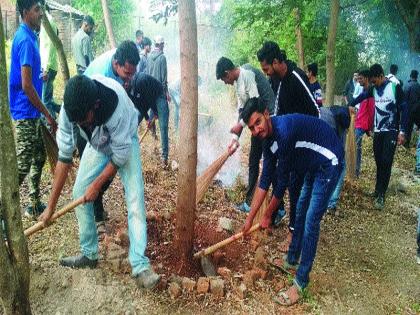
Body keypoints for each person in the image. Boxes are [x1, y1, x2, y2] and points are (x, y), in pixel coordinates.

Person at [39, 75, 161, 289]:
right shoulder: (71, 110)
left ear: (95, 105)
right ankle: (89, 254)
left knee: (135, 201)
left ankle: (140, 265)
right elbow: (64, 157)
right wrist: (50, 206)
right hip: (97, 144)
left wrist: (98, 184)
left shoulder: (117, 105)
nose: (80, 124)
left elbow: (120, 155)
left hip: (125, 142)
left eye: (84, 119)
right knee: (79, 192)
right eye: (77, 122)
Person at [241, 98, 344, 306]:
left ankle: (301, 282)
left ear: (267, 114)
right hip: (310, 164)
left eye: (258, 122)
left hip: (328, 161)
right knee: (299, 209)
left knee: (310, 221)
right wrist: (250, 219)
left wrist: (268, 215)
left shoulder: (284, 132)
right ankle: (291, 260)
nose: (256, 130)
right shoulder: (266, 139)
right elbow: (265, 179)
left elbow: (281, 184)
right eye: (251, 128)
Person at [256, 41, 320, 252]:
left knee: (294, 186)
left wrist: (305, 144)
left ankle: (294, 235)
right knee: (280, 178)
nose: (266, 73)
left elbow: (316, 113)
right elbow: (278, 111)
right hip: (287, 140)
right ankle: (278, 220)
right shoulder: (277, 80)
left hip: (304, 141)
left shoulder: (296, 77)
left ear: (276, 62)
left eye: (266, 68)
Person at [81, 40, 140, 229]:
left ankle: (97, 203)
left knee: (110, 169)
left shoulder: (124, 61)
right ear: (116, 64)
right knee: (97, 174)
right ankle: (96, 217)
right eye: (127, 74)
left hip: (106, 122)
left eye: (133, 73)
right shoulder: (101, 78)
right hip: (88, 124)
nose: (130, 78)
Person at [9, 0, 58, 218]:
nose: (41, 14)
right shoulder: (26, 40)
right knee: (22, 166)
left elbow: (29, 77)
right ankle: (4, 212)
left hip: (31, 111)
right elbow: (26, 85)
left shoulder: (30, 36)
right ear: (25, 12)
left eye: (41, 9)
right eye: (37, 10)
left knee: (38, 157)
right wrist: (47, 112)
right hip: (25, 112)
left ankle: (33, 203)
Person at [215, 57, 279, 219]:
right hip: (256, 124)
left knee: (269, 163)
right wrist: (235, 138)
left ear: (227, 72)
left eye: (224, 79)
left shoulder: (247, 75)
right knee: (253, 160)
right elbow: (242, 111)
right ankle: (250, 202)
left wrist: (242, 124)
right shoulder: (238, 84)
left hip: (267, 121)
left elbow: (256, 105)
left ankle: (279, 209)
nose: (225, 82)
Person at [349, 64, 408, 209]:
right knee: (378, 160)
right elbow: (362, 97)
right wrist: (350, 104)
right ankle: (377, 190)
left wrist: (403, 131)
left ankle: (381, 195)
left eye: (374, 80)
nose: (373, 83)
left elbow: (405, 109)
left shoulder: (395, 88)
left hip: (392, 131)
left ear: (381, 76)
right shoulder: (374, 89)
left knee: (386, 161)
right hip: (379, 131)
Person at [146, 35, 170, 166]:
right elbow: (164, 79)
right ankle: (164, 157)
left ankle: (153, 145)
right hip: (160, 95)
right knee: (164, 126)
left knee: (151, 121)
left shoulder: (149, 57)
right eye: (163, 44)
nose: (164, 46)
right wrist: (166, 93)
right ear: (160, 45)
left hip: (150, 95)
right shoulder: (162, 58)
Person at [353, 69, 375, 178]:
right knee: (357, 147)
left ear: (366, 78)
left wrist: (369, 129)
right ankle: (354, 171)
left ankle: (355, 172)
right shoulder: (363, 91)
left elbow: (371, 112)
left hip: (362, 125)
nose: (359, 80)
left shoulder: (370, 92)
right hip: (358, 122)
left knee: (355, 147)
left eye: (361, 78)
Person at [39, 4, 60, 120]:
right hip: (50, 65)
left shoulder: (48, 23)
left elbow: (50, 47)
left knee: (45, 100)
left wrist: (45, 69)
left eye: (38, 9)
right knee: (49, 99)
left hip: (48, 67)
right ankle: (64, 110)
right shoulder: (46, 23)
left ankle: (51, 125)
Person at [403, 70, 420, 148]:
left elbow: (404, 99)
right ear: (417, 76)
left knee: (408, 129)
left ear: (410, 75)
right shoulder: (418, 86)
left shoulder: (407, 85)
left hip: (408, 111)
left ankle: (406, 145)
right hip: (417, 112)